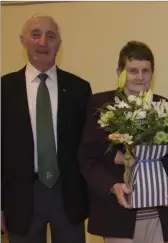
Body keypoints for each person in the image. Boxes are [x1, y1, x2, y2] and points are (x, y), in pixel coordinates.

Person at [78, 41, 168, 243]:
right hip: (118, 211)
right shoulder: (101, 105)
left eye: (146, 71)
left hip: (160, 212)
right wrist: (112, 186)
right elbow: (87, 157)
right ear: (120, 72)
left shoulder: (165, 107)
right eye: (133, 70)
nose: (140, 76)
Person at [1, 15, 92, 243]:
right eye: (35, 35)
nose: (43, 42)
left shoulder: (79, 89)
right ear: (23, 40)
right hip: (20, 197)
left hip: (68, 196)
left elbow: (88, 147)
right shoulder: (4, 89)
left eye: (50, 36)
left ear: (59, 44)